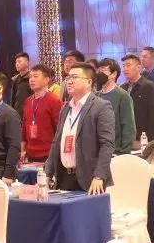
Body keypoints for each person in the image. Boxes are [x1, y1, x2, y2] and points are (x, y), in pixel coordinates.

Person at [44, 63, 114, 194]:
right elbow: (56, 142)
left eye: (74, 77)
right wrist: (47, 173)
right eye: (68, 77)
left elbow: (107, 144)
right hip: (64, 177)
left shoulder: (101, 107)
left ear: (89, 82)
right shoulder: (65, 108)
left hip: (90, 179)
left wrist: (99, 176)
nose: (69, 81)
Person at [21, 64, 63, 162]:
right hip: (29, 154)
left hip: (48, 155)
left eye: (35, 76)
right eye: (30, 77)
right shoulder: (28, 101)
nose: (31, 80)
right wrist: (23, 150)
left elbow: (59, 131)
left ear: (46, 80)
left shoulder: (54, 101)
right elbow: (24, 128)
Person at [96, 57, 135, 155]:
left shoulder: (122, 96)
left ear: (113, 74)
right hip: (98, 151)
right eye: (99, 70)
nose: (100, 73)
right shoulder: (96, 96)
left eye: (103, 70)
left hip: (116, 151)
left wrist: (124, 152)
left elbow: (128, 126)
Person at [121, 53, 154, 144]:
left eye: (128, 65)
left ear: (138, 67)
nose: (125, 69)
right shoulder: (122, 87)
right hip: (126, 136)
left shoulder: (148, 86)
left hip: (142, 137)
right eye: (123, 66)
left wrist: (148, 139)